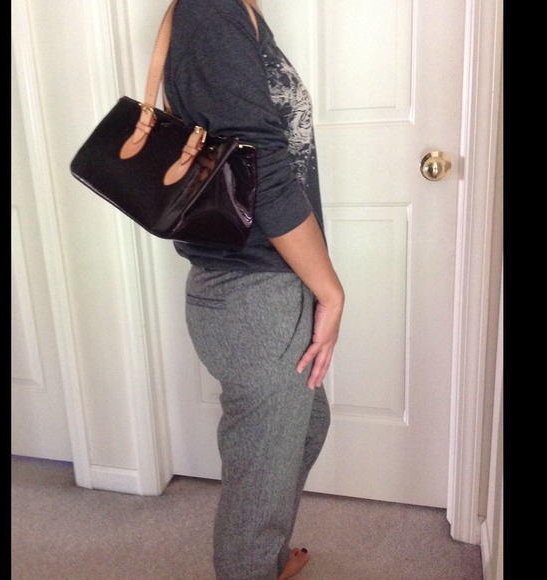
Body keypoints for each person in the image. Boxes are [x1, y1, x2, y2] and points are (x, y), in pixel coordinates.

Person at [164, 0, 345, 578]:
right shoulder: (211, 10)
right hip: (253, 293)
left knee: (305, 427)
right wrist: (331, 292)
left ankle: (262, 559)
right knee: (260, 476)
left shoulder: (236, 11)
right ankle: (251, 562)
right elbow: (260, 170)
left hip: (267, 280)